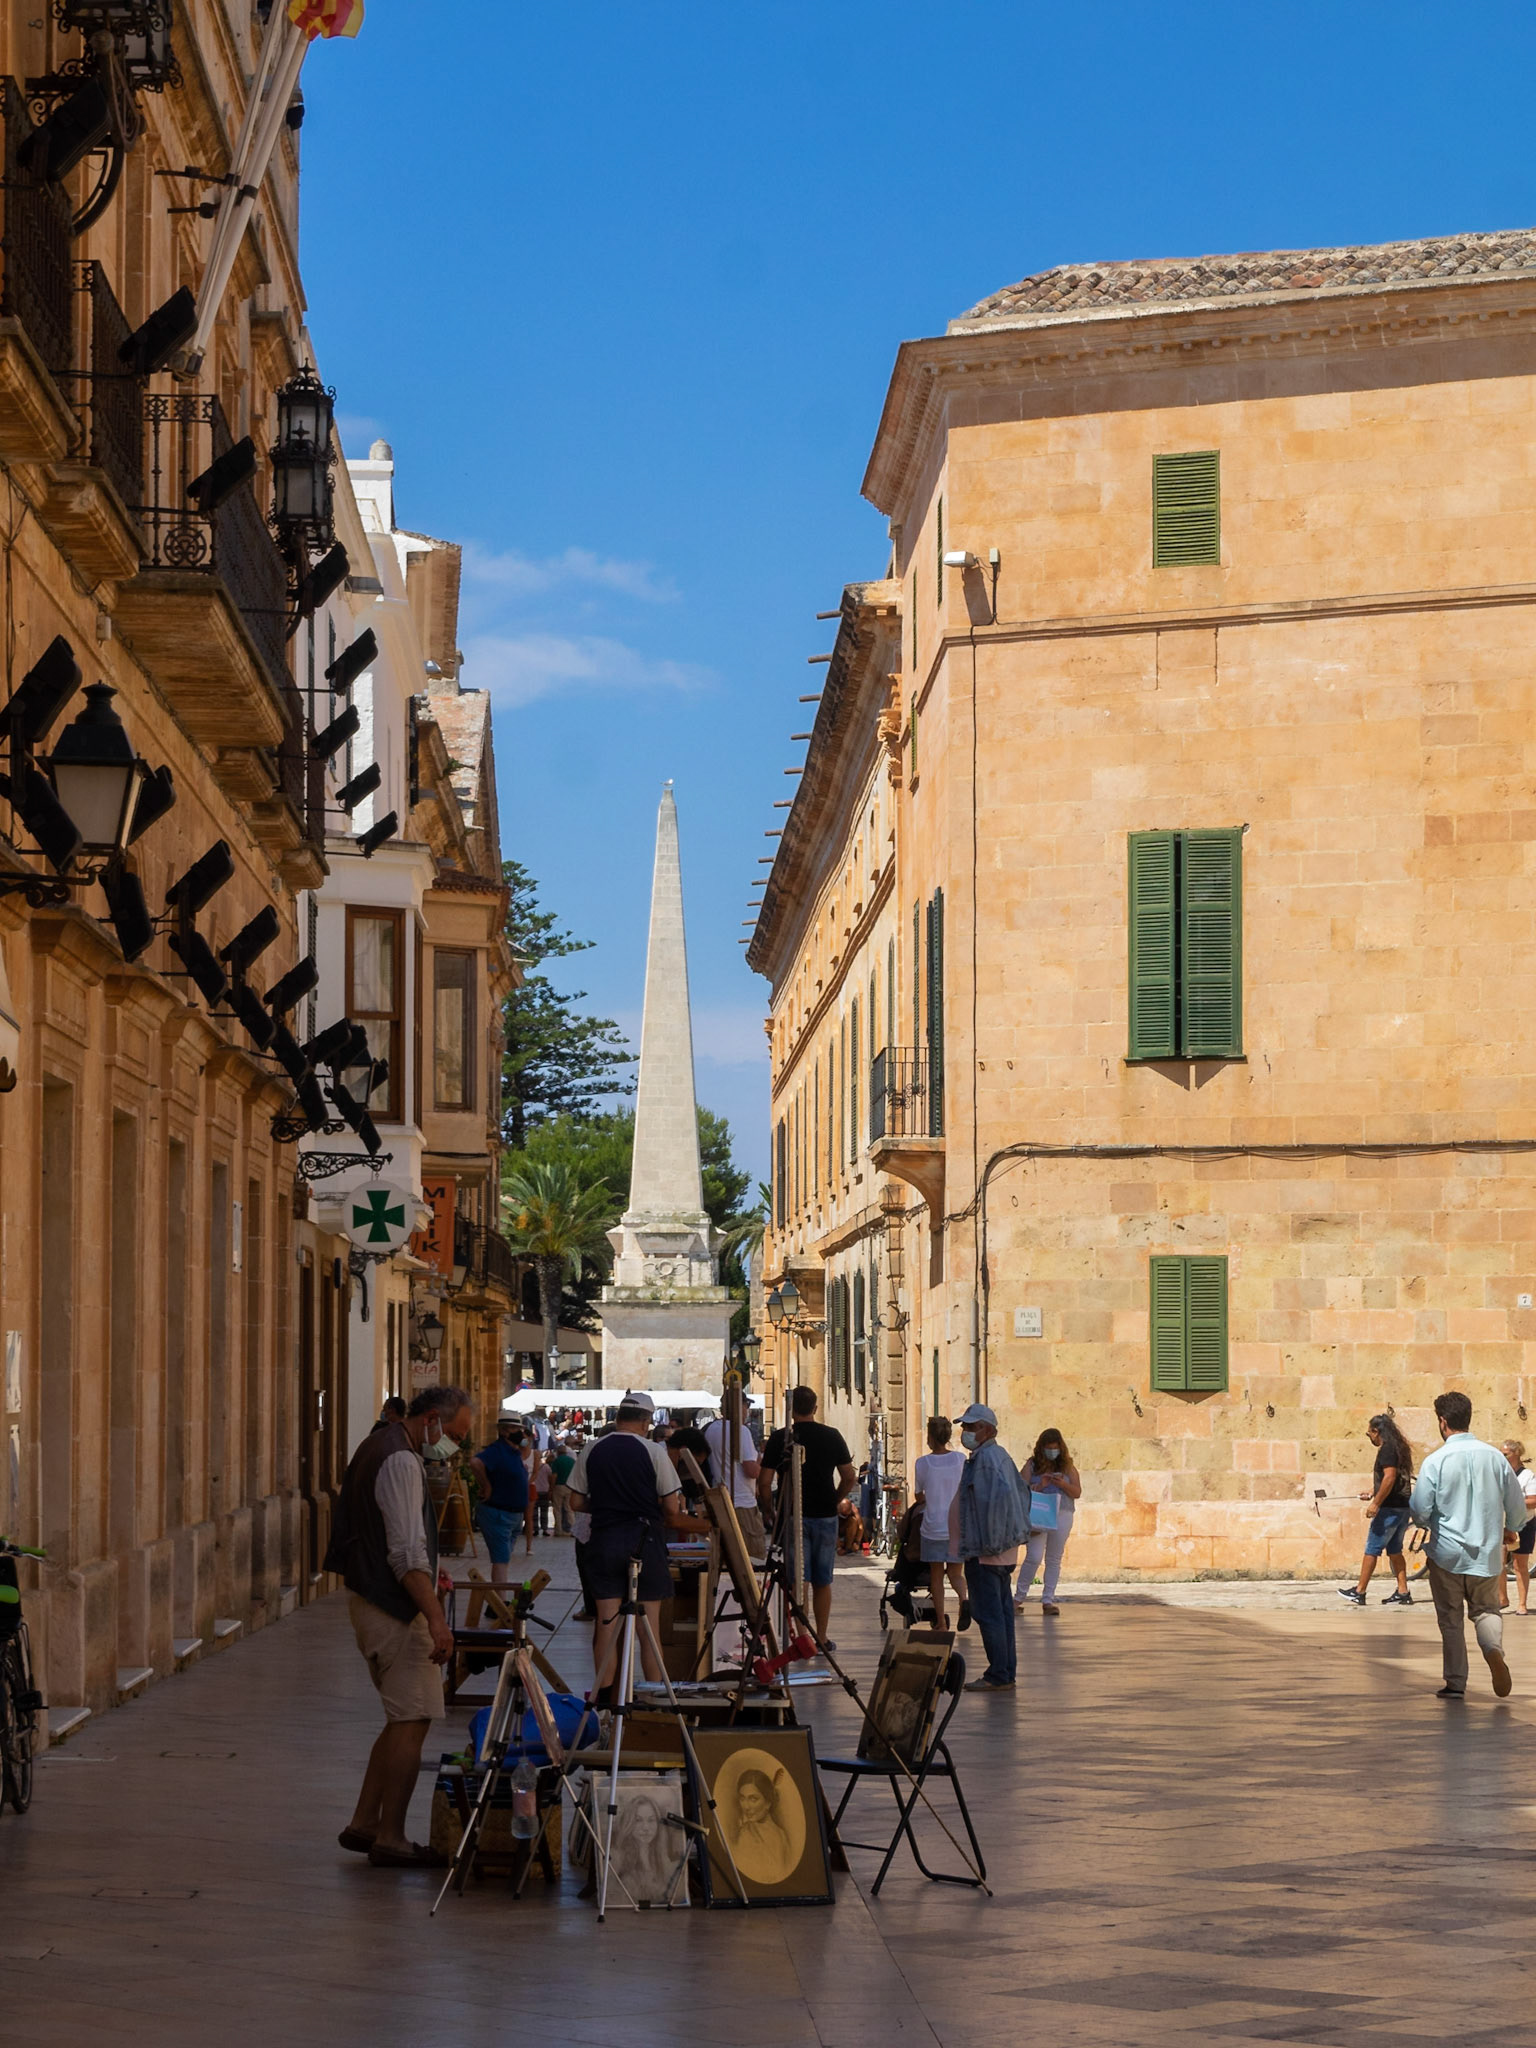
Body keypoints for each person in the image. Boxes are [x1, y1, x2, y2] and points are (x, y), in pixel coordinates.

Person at [325, 1383, 473, 1868]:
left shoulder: (379, 1444)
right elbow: (405, 1552)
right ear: (430, 1418)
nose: (452, 1446)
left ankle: (365, 1821)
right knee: (414, 1718)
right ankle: (391, 1835)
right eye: (452, 1434)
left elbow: (400, 1542)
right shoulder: (403, 1461)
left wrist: (432, 1573)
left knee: (400, 1719)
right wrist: (436, 1619)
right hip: (393, 1610)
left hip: (374, 1599)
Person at [567, 1391, 709, 1689]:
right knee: (649, 1628)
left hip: (604, 1540)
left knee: (607, 1624)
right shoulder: (654, 1452)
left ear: (618, 1418)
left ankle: (605, 1702)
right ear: (645, 1422)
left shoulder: (592, 1449)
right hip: (644, 1541)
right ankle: (654, 1700)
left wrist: (609, 1505)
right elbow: (671, 1509)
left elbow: (576, 1502)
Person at [1409, 1390, 1529, 1700]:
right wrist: (1511, 1528)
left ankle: (1455, 1683)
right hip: (1487, 1553)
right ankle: (1493, 1650)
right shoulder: (1495, 1458)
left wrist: (1427, 1522)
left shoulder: (1436, 1460)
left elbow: (1421, 1508)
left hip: (1447, 1553)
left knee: (1450, 1619)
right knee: (1487, 1610)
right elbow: (1516, 1502)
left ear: (1443, 1421)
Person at [759, 1386, 856, 1651]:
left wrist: (769, 1510)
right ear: (815, 1407)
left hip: (792, 1514)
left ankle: (802, 1636)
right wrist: (835, 1499)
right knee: (823, 1580)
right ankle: (822, 1637)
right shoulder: (832, 1436)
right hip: (825, 1514)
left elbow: (765, 1482)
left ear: (791, 1409)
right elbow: (849, 1477)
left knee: (796, 1578)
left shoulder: (781, 1439)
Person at [955, 1402, 1028, 1692]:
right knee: (1001, 1613)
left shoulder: (985, 1460)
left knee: (988, 1614)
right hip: (999, 1550)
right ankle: (1005, 1670)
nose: (965, 1431)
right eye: (964, 1426)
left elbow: (992, 1504)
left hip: (986, 1550)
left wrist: (989, 1544)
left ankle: (998, 1673)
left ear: (987, 1430)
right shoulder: (1000, 1456)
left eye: (971, 1427)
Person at [1339, 1414, 1415, 1607]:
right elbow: (1394, 1480)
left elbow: (1389, 1478)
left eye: (1369, 1434)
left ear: (1376, 1431)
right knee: (1395, 1551)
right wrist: (1373, 1492)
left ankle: (1359, 1591)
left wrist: (1376, 1504)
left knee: (1372, 1549)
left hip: (1389, 1510)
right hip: (1402, 1508)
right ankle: (1403, 1591)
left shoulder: (1387, 1449)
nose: (1370, 1438)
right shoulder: (1399, 1448)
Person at [1015, 1427, 1082, 1617]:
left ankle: (1048, 1600)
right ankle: (1018, 1598)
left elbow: (1077, 1492)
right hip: (1039, 1513)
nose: (1052, 1452)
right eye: (1048, 1448)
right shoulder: (1032, 1465)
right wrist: (1040, 1485)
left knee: (1054, 1557)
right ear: (1041, 1447)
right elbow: (1020, 1488)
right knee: (1034, 1556)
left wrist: (1063, 1484)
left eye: (1055, 1448)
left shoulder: (1067, 1466)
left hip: (1062, 1513)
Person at [913, 1416, 968, 1631]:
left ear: (930, 1437)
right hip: (956, 1527)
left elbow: (919, 1495)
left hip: (933, 1526)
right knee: (956, 1573)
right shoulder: (960, 1460)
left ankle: (941, 1622)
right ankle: (964, 1599)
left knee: (936, 1576)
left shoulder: (923, 1463)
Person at [469, 1414, 533, 1588]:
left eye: (520, 1429)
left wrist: (525, 1440)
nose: (519, 1432)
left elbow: (526, 1453)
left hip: (513, 1516)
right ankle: (500, 1603)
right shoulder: (497, 1450)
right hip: (498, 1513)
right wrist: (486, 1486)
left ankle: (497, 1598)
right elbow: (475, 1462)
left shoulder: (513, 1451)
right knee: (501, 1560)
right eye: (515, 1429)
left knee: (503, 1558)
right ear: (504, 1431)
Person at [703, 1407, 767, 1560]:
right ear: (740, 1405)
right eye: (745, 1406)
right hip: (742, 1502)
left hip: (721, 1499)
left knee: (725, 1559)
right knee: (753, 1559)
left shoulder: (711, 1429)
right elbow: (751, 1470)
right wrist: (765, 1469)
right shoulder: (741, 1431)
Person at [1501, 1440, 1536, 1613]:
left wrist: (1515, 1502)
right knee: (1498, 1562)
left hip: (1524, 1523)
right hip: (1502, 1523)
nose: (1503, 1457)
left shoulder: (1527, 1476)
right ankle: (1502, 1598)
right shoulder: (1501, 1474)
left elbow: (1534, 1500)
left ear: (1516, 1454)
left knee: (1519, 1564)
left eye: (1505, 1454)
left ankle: (1522, 1604)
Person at [549, 1438, 577, 1535]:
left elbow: (554, 1476)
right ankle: (573, 1530)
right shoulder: (572, 1461)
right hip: (570, 1487)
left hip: (559, 1486)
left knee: (557, 1509)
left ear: (558, 1452)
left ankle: (558, 1530)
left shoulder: (556, 1461)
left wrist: (551, 1489)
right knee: (569, 1509)